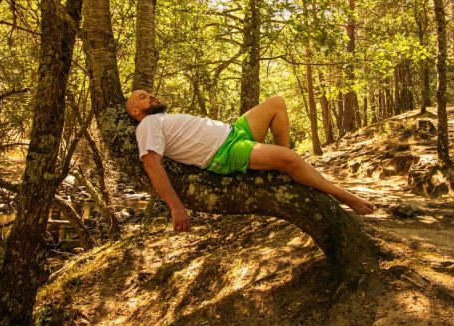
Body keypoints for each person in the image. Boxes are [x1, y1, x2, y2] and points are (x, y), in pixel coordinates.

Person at [126, 90, 376, 231]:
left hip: (234, 131)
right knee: (290, 158)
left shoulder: (160, 119)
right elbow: (151, 165)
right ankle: (343, 195)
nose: (151, 96)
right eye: (143, 97)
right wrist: (176, 207)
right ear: (136, 112)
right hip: (225, 151)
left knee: (277, 102)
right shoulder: (147, 125)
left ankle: (284, 166)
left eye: (150, 94)